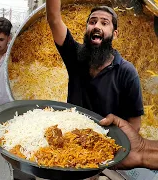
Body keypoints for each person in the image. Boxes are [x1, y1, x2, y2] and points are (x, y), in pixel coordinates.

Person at [46, 0, 144, 131]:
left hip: (107, 143)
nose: (97, 26)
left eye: (104, 23)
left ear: (115, 34)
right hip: (71, 137)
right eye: (92, 22)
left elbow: (135, 126)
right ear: (87, 29)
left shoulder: (126, 71)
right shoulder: (75, 56)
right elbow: (54, 19)